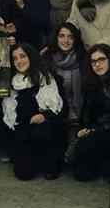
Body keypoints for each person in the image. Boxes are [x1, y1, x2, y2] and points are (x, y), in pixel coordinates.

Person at [4, 43, 65, 180]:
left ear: (31, 56)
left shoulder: (47, 78)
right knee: (23, 174)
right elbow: (4, 110)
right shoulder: (9, 82)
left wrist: (45, 116)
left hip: (46, 130)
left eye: (23, 56)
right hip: (23, 133)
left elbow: (63, 109)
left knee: (41, 133)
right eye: (15, 58)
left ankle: (51, 162)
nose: (19, 61)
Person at [71, 44, 110, 182]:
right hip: (98, 128)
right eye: (93, 61)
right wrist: (84, 127)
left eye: (101, 60)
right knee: (81, 173)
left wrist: (96, 129)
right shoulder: (92, 82)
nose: (97, 64)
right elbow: (87, 110)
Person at [45, 22, 86, 145]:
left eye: (70, 37)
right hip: (53, 112)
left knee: (73, 143)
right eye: (62, 36)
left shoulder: (83, 59)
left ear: (75, 40)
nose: (66, 40)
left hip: (76, 113)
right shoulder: (48, 58)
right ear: (56, 38)